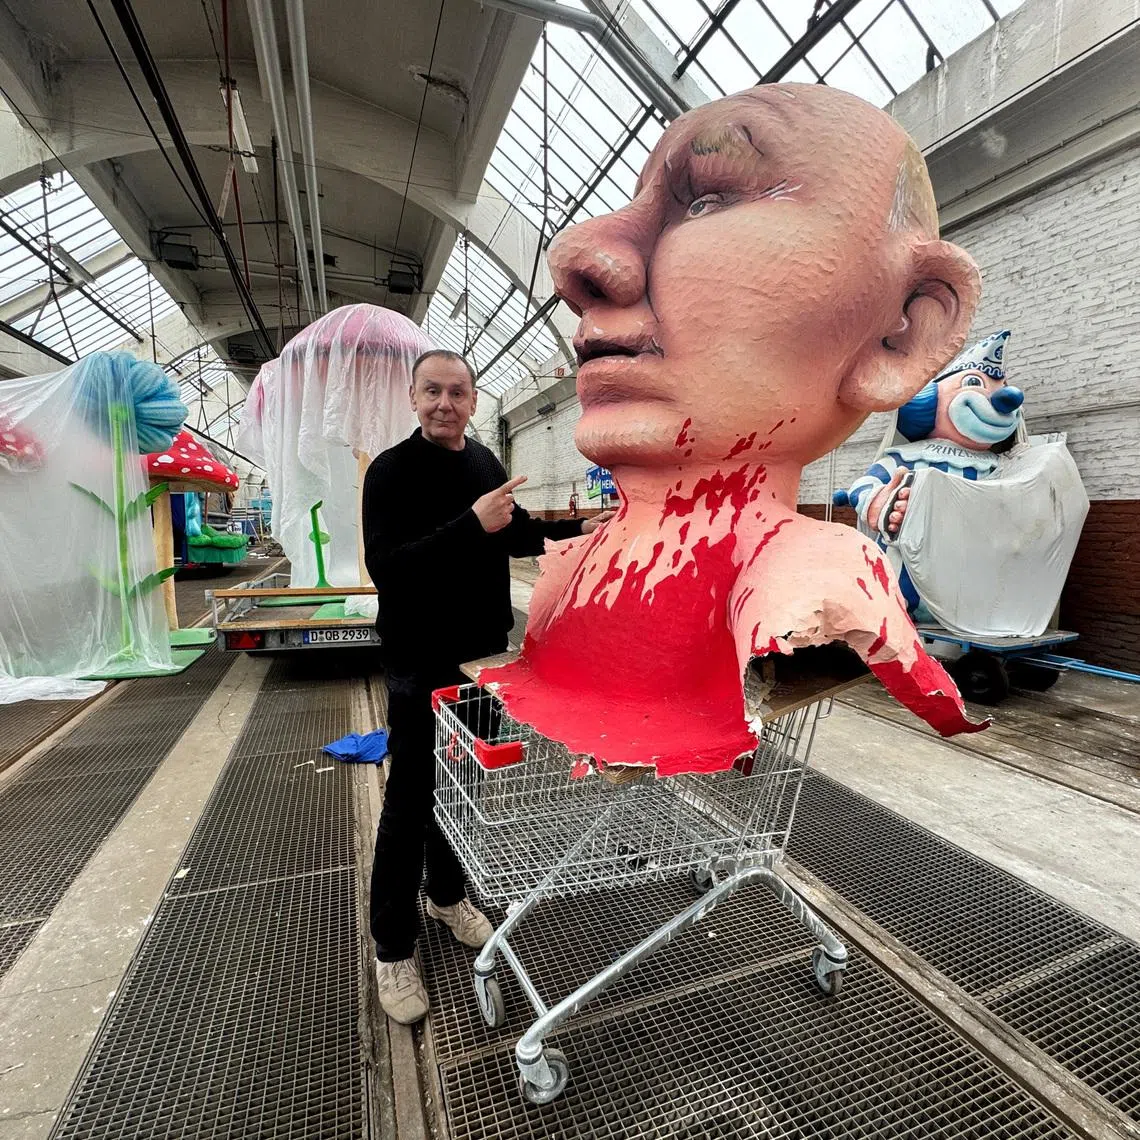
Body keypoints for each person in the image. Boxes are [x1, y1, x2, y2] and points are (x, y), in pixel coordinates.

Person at [478, 83, 988, 778]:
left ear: (901, 332)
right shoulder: (573, 568)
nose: (580, 258)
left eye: (708, 197)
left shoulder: (819, 570)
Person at [362, 348, 613, 1023]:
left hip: (481, 659)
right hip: (419, 661)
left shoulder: (483, 464)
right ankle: (391, 946)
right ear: (414, 398)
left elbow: (511, 533)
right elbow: (389, 567)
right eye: (432, 391)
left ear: (475, 401)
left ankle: (446, 895)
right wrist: (468, 524)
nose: (445, 403)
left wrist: (574, 530)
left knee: (463, 792)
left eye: (458, 392)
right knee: (412, 797)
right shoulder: (390, 473)